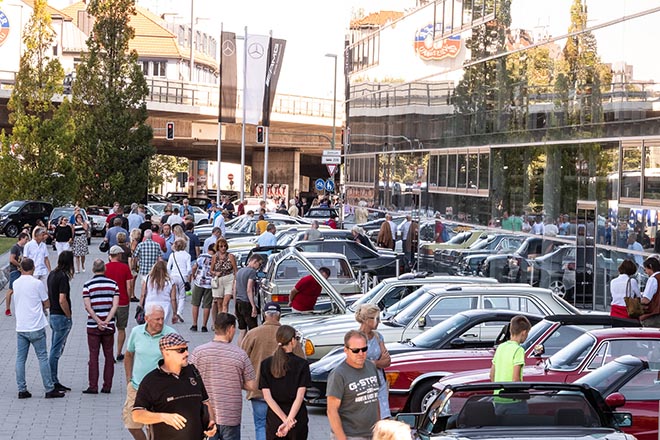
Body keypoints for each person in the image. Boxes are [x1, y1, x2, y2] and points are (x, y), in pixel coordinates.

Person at [133, 333, 217, 440]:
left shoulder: (193, 371)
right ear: (166, 352)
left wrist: (211, 422)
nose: (186, 353)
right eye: (180, 350)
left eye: (186, 348)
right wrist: (163, 417)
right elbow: (137, 414)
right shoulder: (151, 381)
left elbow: (205, 401)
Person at [241, 302, 306, 440]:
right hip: (287, 395)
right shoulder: (289, 335)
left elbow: (242, 359)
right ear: (279, 315)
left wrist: (245, 384)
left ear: (264, 315)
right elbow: (301, 360)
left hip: (259, 390)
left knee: (260, 426)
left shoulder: (252, 334)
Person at [189, 313, 256, 440]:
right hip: (231, 414)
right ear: (231, 329)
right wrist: (234, 380)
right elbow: (252, 385)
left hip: (205, 414)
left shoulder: (198, 352)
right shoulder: (240, 354)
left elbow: (189, 379)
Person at [14, 258, 65, 399]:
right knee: (42, 357)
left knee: (20, 359)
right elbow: (46, 302)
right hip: (36, 325)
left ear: (21, 268)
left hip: (21, 326)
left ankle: (22, 389)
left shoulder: (16, 283)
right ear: (33, 268)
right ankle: (49, 388)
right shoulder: (37, 284)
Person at [123, 305, 176, 440]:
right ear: (146, 319)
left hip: (160, 391)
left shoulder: (171, 334)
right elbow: (128, 354)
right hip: (137, 387)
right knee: (132, 425)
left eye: (162, 319)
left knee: (156, 428)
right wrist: (129, 379)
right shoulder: (136, 332)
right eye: (157, 319)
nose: (160, 322)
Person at [259, 325, 311, 440]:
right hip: (297, 417)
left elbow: (267, 397)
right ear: (292, 341)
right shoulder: (302, 364)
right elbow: (300, 396)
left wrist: (284, 420)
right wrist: (289, 421)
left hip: (274, 418)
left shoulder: (266, 364)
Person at [327, 330, 380, 440]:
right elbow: (331, 411)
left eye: (364, 349)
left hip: (372, 434)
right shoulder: (338, 374)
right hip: (350, 435)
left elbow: (375, 399)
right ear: (346, 350)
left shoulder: (371, 367)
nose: (361, 354)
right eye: (356, 350)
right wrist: (342, 438)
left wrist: (379, 428)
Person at [82, 259, 120, 394]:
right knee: (109, 355)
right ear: (105, 269)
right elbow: (115, 305)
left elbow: (88, 306)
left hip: (93, 325)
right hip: (109, 326)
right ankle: (107, 386)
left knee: (93, 356)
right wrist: (106, 321)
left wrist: (98, 321)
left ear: (93, 269)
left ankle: (93, 386)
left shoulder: (87, 285)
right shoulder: (113, 284)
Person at [489, 315, 531, 415]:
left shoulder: (501, 347)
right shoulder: (518, 350)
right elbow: (516, 379)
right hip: (513, 400)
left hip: (498, 398)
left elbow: (492, 375)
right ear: (524, 332)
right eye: (527, 333)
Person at [355, 304, 391, 418]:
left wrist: (373, 363)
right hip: (362, 381)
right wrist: (377, 363)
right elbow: (358, 362)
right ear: (366, 319)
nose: (379, 322)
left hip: (379, 381)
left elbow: (387, 361)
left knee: (382, 416)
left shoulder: (378, 336)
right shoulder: (356, 337)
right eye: (376, 318)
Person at [47, 250, 75, 393]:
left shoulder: (52, 274)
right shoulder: (63, 277)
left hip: (53, 314)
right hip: (61, 316)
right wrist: (68, 315)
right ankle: (52, 380)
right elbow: (62, 299)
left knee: (54, 347)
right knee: (56, 350)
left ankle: (52, 378)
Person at [105, 245, 134, 361]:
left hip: (109, 303)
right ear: (118, 255)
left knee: (109, 329)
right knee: (121, 328)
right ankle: (118, 352)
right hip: (122, 302)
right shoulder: (125, 268)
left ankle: (109, 354)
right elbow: (129, 286)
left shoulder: (105, 268)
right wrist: (129, 298)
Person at [235, 255, 262, 344]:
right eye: (259, 264)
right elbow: (249, 289)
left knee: (242, 330)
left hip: (238, 302)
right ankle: (251, 350)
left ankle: (239, 351)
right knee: (253, 330)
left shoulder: (239, 271)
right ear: (255, 261)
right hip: (246, 302)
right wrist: (253, 306)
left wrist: (235, 302)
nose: (259, 267)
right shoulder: (252, 272)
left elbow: (234, 289)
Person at [141, 260, 178, 325]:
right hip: (165, 306)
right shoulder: (170, 281)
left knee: (150, 326)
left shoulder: (147, 279)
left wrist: (140, 305)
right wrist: (175, 313)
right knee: (162, 326)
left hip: (149, 304)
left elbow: (143, 294)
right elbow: (173, 299)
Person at [167, 238, 192, 324]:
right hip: (183, 276)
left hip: (173, 276)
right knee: (182, 296)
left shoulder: (173, 255)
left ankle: (176, 311)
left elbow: (168, 267)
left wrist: (170, 275)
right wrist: (188, 276)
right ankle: (179, 312)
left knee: (175, 295)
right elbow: (189, 269)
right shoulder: (187, 255)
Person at [210, 237, 238, 315]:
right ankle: (220, 322)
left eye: (225, 246)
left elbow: (236, 270)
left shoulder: (230, 256)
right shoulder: (215, 257)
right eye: (221, 246)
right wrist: (215, 273)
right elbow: (211, 270)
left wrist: (235, 282)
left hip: (229, 278)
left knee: (226, 302)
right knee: (219, 304)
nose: (223, 248)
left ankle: (225, 320)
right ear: (218, 247)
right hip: (218, 280)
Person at [190, 246, 214, 332]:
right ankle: (204, 325)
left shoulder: (201, 256)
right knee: (207, 305)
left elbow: (194, 267)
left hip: (199, 282)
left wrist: (193, 275)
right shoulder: (216, 258)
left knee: (195, 303)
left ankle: (194, 324)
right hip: (209, 283)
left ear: (208, 249)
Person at [133, 229, 163, 300]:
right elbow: (160, 258)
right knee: (152, 285)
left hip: (143, 269)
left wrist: (134, 267)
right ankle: (151, 298)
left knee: (144, 285)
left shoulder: (140, 245)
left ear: (144, 236)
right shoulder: (157, 245)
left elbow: (135, 257)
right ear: (151, 236)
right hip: (154, 269)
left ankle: (144, 299)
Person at [5, 232, 29, 316]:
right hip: (15, 270)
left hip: (22, 271)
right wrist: (20, 266)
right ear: (21, 238)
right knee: (11, 290)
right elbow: (12, 259)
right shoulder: (15, 247)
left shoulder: (23, 248)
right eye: (26, 239)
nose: (26, 241)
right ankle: (7, 308)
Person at [640, 257, 660, 328]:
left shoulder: (653, 279)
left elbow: (646, 300)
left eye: (645, 268)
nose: (645, 271)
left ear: (650, 267)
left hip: (653, 317)